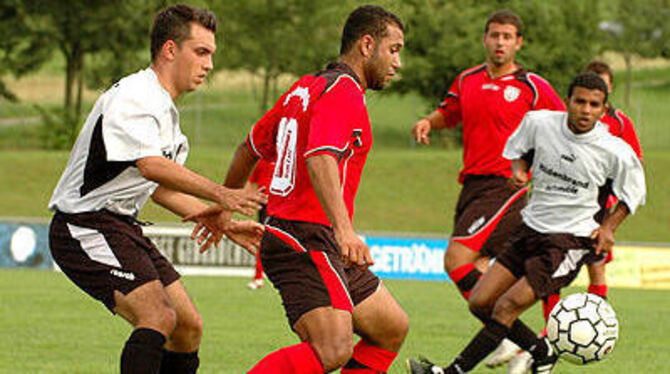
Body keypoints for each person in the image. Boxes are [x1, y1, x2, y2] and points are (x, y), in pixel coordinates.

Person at [187, 5, 409, 373]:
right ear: (367, 45)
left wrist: (224, 205)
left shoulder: (305, 88)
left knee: (390, 328)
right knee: (332, 348)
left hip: (311, 237)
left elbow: (248, 148)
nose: (397, 63)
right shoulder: (344, 91)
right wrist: (344, 230)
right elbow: (320, 156)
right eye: (395, 49)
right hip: (306, 236)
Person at [47, 5, 266, 374]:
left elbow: (156, 186)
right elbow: (151, 166)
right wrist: (222, 194)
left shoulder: (168, 120)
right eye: (201, 52)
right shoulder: (134, 96)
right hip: (81, 226)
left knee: (187, 327)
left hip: (119, 227)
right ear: (169, 50)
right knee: (157, 316)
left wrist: (223, 223)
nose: (209, 65)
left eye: (211, 54)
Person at [408, 72, 646, 374]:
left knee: (506, 306)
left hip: (568, 243)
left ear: (603, 109)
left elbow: (634, 193)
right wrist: (519, 171)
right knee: (480, 302)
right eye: (580, 101)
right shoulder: (540, 123)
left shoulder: (614, 150)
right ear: (568, 101)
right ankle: (541, 350)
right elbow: (519, 151)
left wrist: (609, 226)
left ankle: (451, 372)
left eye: (594, 105)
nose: (586, 110)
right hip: (529, 229)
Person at [410, 9, 565, 368]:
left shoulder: (532, 86)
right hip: (472, 186)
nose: (500, 42)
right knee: (479, 291)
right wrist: (427, 122)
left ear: (518, 43)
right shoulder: (468, 80)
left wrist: (536, 171)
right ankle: (528, 345)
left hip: (506, 185)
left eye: (508, 37)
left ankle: (522, 341)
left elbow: (562, 129)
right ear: (485, 38)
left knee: (455, 260)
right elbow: (450, 112)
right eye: (495, 35)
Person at [246, 160, 274, 290]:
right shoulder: (262, 161)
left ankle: (259, 276)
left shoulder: (286, 160)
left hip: (278, 204)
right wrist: (247, 202)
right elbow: (251, 183)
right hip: (264, 204)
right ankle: (258, 276)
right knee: (262, 238)